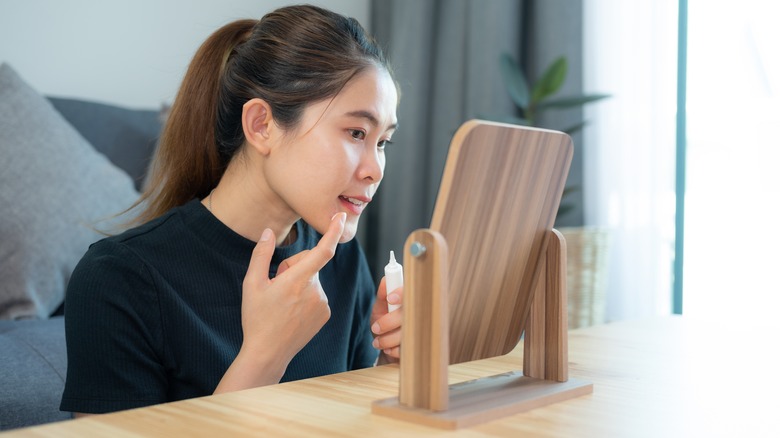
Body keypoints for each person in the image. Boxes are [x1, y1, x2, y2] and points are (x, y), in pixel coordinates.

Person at [60, 4, 401, 415]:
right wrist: (265, 355)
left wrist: (390, 363)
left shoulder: (341, 260)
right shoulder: (118, 280)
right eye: (357, 132)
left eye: (383, 142)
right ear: (262, 125)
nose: (375, 169)